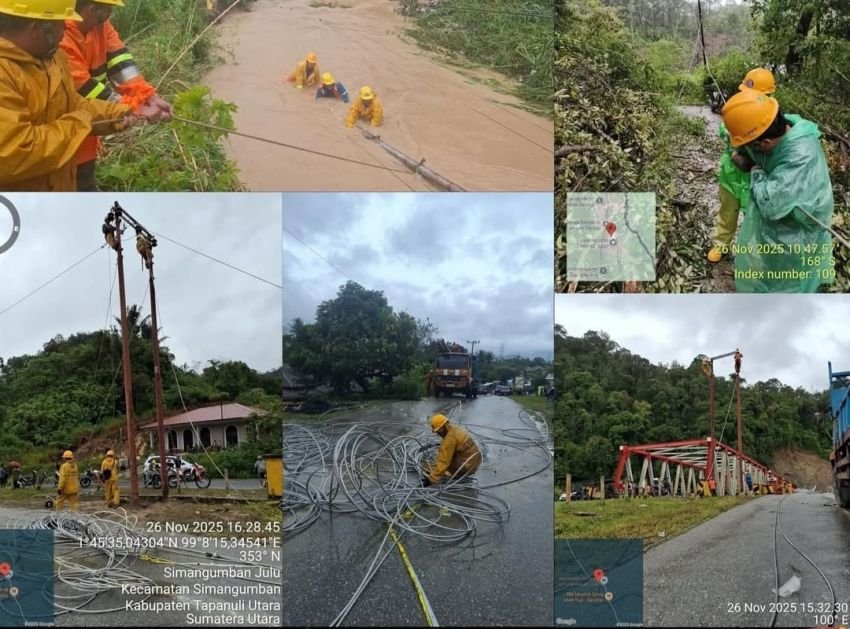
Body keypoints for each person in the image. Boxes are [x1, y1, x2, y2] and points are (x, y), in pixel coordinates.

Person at [0, 0, 135, 191]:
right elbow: (15, 151)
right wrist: (81, 123)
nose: (65, 28)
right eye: (60, 23)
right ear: (35, 28)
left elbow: (70, 103)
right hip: (22, 204)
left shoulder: (52, 58)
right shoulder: (5, 74)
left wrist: (115, 113)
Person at [721, 89, 834, 292]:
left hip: (799, 229)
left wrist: (754, 169)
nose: (750, 149)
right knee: (772, 264)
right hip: (783, 223)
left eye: (752, 146)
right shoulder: (775, 125)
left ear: (765, 143)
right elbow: (735, 137)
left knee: (790, 278)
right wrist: (737, 151)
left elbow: (770, 205)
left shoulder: (800, 158)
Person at [59, 0, 171, 191]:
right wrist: (132, 108)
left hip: (88, 134)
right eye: (108, 10)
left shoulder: (100, 25)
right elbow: (84, 90)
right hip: (61, 142)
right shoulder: (59, 35)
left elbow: (121, 64)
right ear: (92, 9)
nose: (109, 16)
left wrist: (146, 96)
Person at [708, 68, 777, 263]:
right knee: (727, 212)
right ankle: (721, 244)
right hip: (730, 175)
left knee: (754, 218)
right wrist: (733, 149)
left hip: (755, 178)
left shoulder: (771, 117)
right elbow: (725, 129)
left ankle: (752, 253)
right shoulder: (738, 108)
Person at [421, 414, 481, 487]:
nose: (438, 434)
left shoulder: (449, 440)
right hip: (474, 463)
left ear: (444, 426)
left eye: (439, 431)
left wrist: (430, 480)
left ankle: (452, 474)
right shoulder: (456, 429)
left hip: (466, 468)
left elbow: (443, 462)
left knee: (431, 466)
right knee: (443, 457)